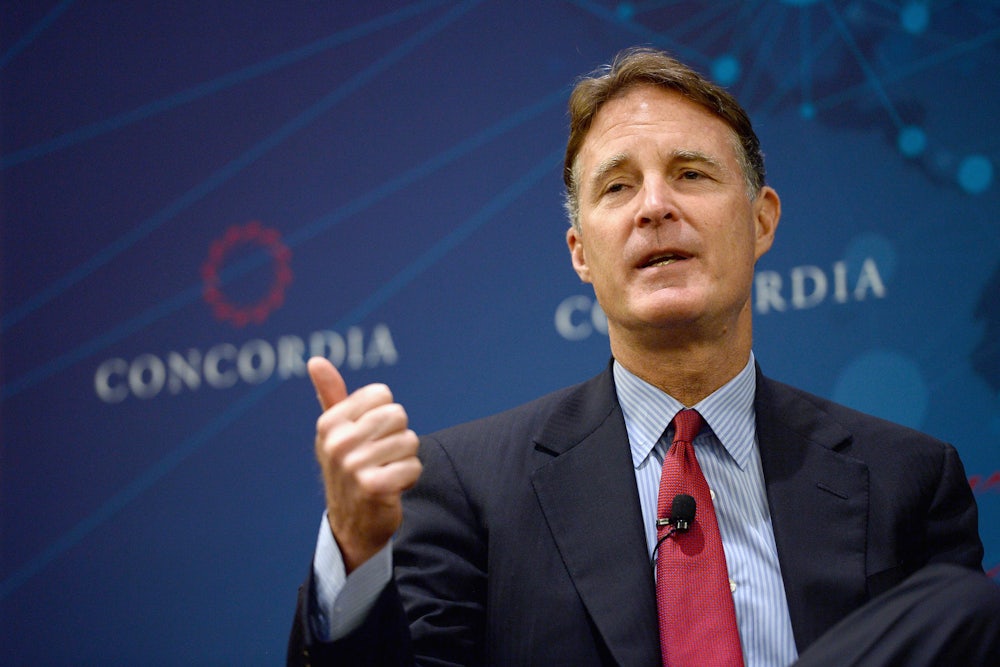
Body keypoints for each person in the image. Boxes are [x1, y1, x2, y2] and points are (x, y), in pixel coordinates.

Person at [287, 47, 1000, 666]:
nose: (654, 206)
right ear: (581, 254)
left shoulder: (907, 478)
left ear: (761, 221)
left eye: (690, 174)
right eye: (617, 187)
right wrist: (354, 553)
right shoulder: (468, 490)